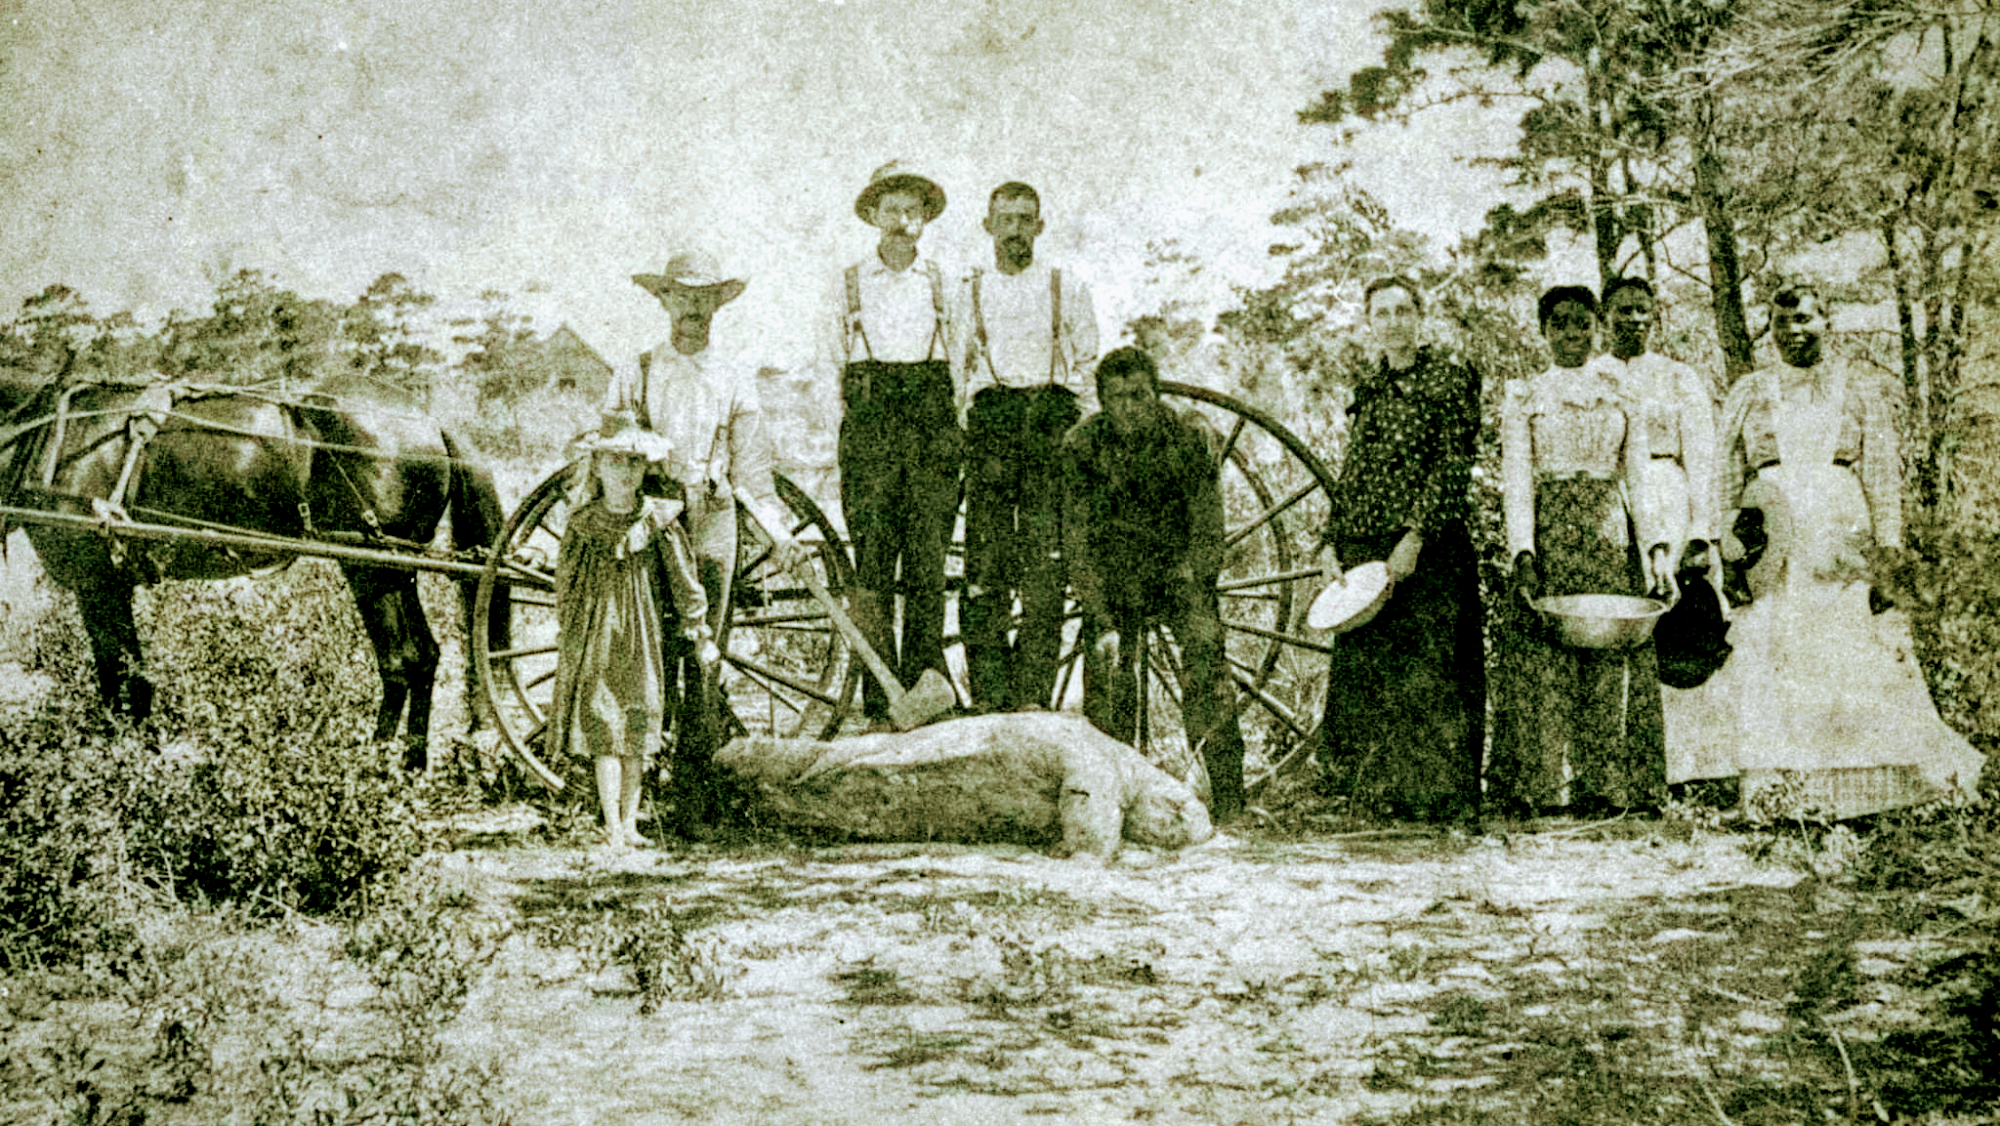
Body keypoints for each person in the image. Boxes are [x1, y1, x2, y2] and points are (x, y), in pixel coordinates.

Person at [1708, 284, 1983, 812]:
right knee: (1776, 646)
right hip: (1773, 534)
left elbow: (1880, 473)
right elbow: (1725, 470)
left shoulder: (1858, 388)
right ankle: (1777, 793)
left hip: (1840, 528)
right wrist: (1728, 537)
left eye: (1805, 319)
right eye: (1783, 321)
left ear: (1826, 322)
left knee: (1845, 646)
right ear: (1771, 328)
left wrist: (1888, 549)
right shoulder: (1750, 390)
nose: (1794, 331)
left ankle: (1860, 790)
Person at [608, 249, 801, 831]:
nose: (692, 308)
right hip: (652, 515)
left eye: (704, 297)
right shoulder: (636, 371)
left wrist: (780, 533)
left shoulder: (735, 376)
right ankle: (634, 797)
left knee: (705, 652)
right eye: (682, 296)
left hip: (714, 514)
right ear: (664, 300)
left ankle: (693, 799)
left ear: (718, 304)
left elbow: (754, 473)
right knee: (644, 649)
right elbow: (610, 455)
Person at [1489, 285, 1675, 817]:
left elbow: (1639, 476)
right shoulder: (1526, 395)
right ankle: (1546, 787)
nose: (1572, 333)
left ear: (1598, 328)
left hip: (1609, 534)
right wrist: (1523, 551)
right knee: (1548, 652)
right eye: (1560, 323)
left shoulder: (1621, 392)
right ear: (1543, 331)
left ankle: (1610, 788)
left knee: (1611, 650)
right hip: (1550, 532)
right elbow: (1517, 480)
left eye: (1582, 323)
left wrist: (1656, 549)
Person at [1313, 276, 1485, 825]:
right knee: (1371, 673)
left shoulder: (1449, 380)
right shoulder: (1370, 387)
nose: (1393, 322)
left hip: (1428, 549)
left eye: (1403, 311)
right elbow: (1355, 471)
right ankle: (1377, 798)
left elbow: (1452, 464)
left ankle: (1437, 803)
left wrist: (1416, 535)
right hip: (1366, 547)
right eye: (1382, 314)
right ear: (1370, 324)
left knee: (1429, 670)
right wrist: (1331, 541)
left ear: (1420, 316)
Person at [1063, 346, 1248, 823]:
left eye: (1140, 395)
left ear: (1156, 394)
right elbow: (1076, 540)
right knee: (1107, 665)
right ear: (1103, 402)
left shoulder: (1187, 434)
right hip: (1114, 578)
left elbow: (1208, 524)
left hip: (1177, 572)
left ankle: (1229, 798)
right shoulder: (1083, 445)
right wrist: (1100, 614)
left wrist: (1194, 581)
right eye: (1118, 398)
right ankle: (1114, 800)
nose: (1130, 407)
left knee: (1205, 653)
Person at [824, 161, 963, 728]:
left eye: (912, 210)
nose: (902, 220)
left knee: (928, 567)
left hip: (932, 430)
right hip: (871, 434)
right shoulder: (849, 282)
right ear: (874, 216)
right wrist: (851, 433)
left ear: (925, 218)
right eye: (891, 210)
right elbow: (831, 364)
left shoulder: (944, 282)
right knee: (874, 568)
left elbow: (962, 360)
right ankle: (881, 700)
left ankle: (928, 691)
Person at [958, 181, 1099, 713]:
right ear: (988, 226)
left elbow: (1088, 366)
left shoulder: (1066, 285)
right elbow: (956, 371)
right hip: (993, 426)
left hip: (1050, 426)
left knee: (1044, 566)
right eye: (1005, 219)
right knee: (985, 566)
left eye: (1024, 219)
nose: (1015, 230)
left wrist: (1081, 439)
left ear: (1039, 227)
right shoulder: (970, 291)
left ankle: (1032, 698)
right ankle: (990, 698)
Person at [547, 414, 716, 849]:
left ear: (645, 469)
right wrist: (569, 631)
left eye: (634, 463)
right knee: (604, 725)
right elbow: (566, 584)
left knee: (638, 722)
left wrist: (698, 628)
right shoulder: (583, 524)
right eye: (615, 462)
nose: (625, 473)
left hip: (643, 634)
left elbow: (684, 581)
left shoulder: (658, 520)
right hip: (597, 633)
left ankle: (631, 821)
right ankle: (613, 826)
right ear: (598, 468)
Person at [1595, 276, 1733, 779]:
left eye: (1641, 310)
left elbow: (1703, 459)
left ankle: (1687, 767)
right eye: (1622, 310)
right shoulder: (1591, 374)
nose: (1632, 319)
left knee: (1675, 621)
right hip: (1609, 500)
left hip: (1669, 495)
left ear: (1653, 316)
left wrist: (1701, 532)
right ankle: (1621, 765)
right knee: (1619, 621)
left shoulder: (1678, 377)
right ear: (1604, 317)